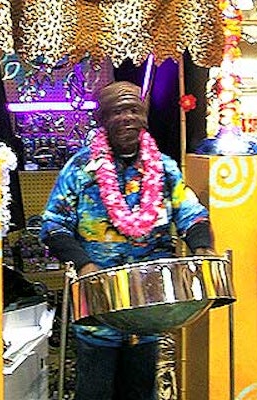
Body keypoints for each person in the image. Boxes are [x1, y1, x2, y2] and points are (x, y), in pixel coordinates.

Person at [40, 81, 215, 400]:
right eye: (117, 112)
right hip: (98, 308)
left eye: (133, 110)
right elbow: (53, 225)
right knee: (95, 391)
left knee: (139, 391)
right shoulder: (81, 168)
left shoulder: (164, 168)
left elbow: (191, 213)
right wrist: (85, 263)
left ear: (144, 117)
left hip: (148, 311)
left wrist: (202, 247)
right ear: (103, 120)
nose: (127, 118)